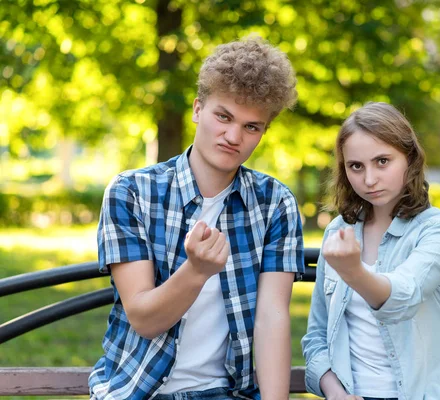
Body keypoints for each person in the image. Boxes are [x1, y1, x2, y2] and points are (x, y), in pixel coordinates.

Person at [89, 36, 304, 400]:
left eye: (252, 127)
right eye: (224, 116)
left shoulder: (275, 203)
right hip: (137, 391)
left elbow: (272, 318)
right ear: (197, 109)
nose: (234, 136)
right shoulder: (131, 192)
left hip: (226, 393)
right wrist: (197, 271)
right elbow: (144, 319)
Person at [301, 102, 440, 400]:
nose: (369, 179)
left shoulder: (437, 230)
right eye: (355, 166)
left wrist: (353, 272)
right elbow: (317, 337)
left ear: (409, 159)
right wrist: (335, 393)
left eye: (382, 161)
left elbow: (403, 299)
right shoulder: (338, 232)